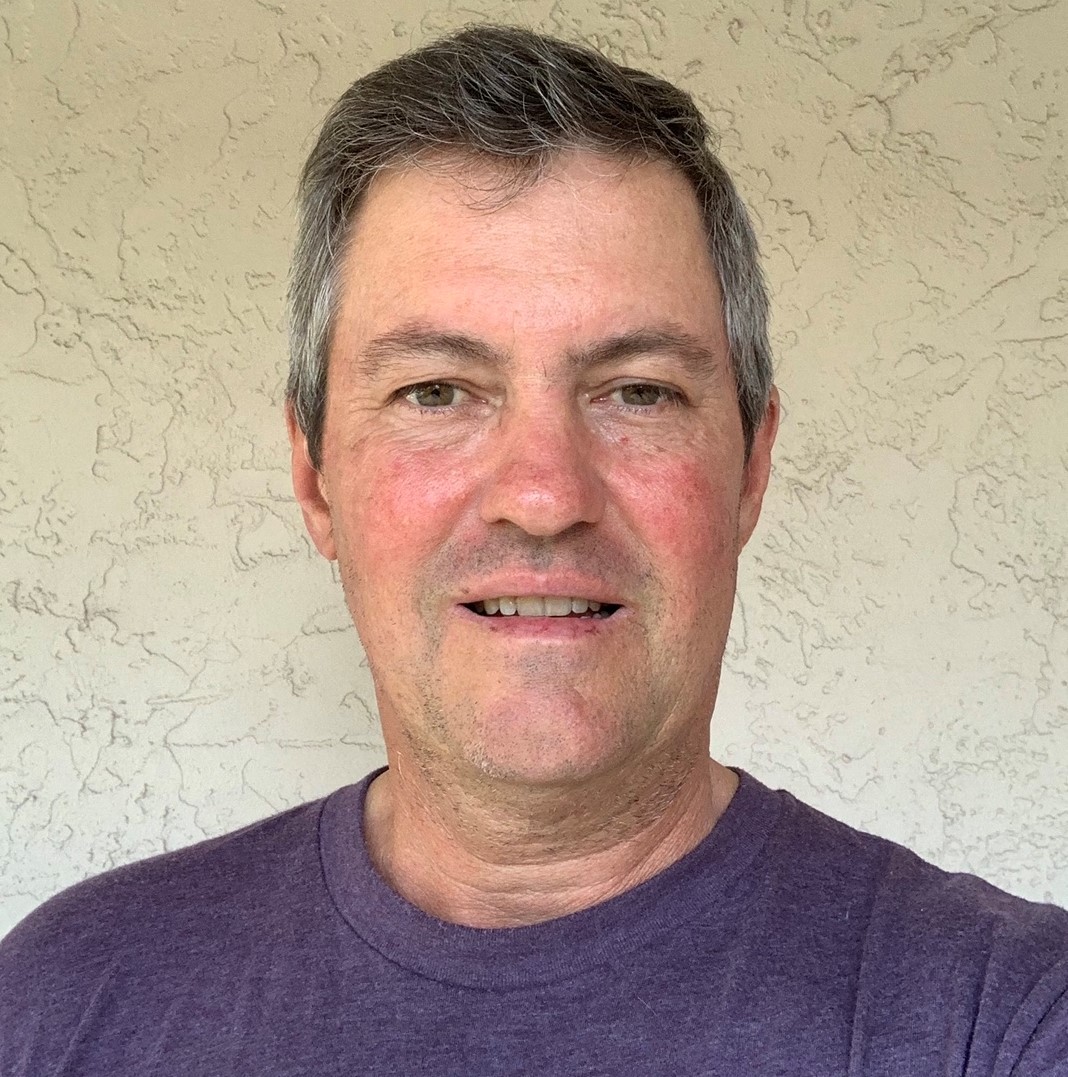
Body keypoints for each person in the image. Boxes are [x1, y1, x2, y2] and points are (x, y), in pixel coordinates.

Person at [1, 24, 1066, 1077]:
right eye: (437, 392)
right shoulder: (61, 1006)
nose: (546, 496)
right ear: (315, 476)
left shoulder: (1004, 1019)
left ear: (750, 468)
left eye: (638, 392)